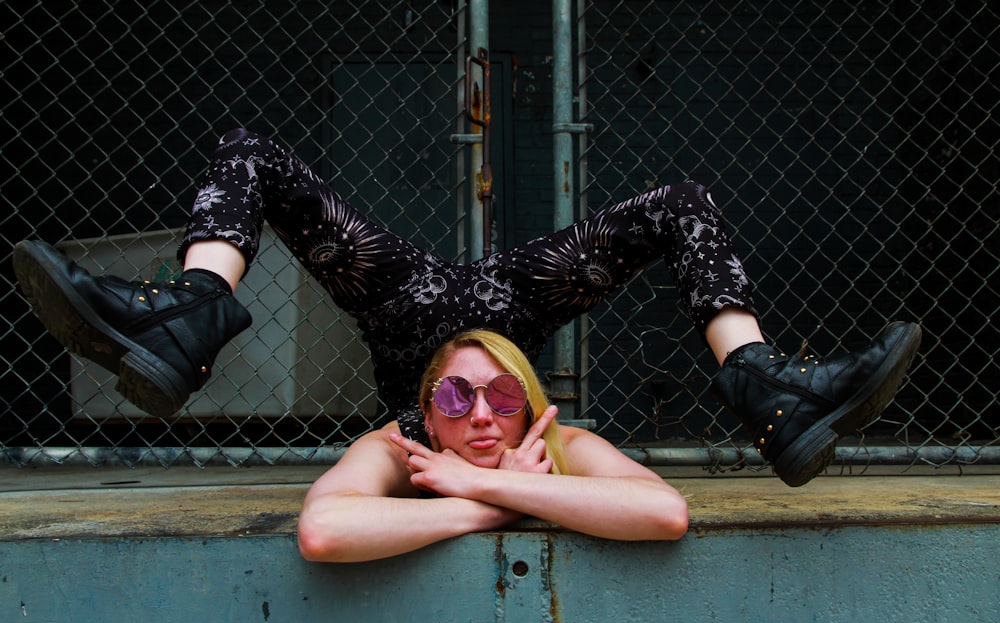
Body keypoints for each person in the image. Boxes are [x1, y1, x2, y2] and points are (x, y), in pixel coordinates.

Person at [13, 127, 921, 495]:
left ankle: (192, 311)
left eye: (478, 414)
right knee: (683, 201)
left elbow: (328, 523)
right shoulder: (550, 441)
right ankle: (762, 384)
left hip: (407, 309)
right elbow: (656, 510)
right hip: (504, 310)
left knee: (249, 152)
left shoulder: (403, 446)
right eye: (465, 411)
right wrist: (515, 482)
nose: (480, 422)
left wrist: (463, 475)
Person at [297, 328, 690, 562]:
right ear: (428, 416)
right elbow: (321, 530)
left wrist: (482, 483)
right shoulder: (399, 445)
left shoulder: (561, 442)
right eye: (455, 396)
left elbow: (666, 512)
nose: (482, 415)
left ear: (528, 409)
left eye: (504, 395)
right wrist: (496, 510)